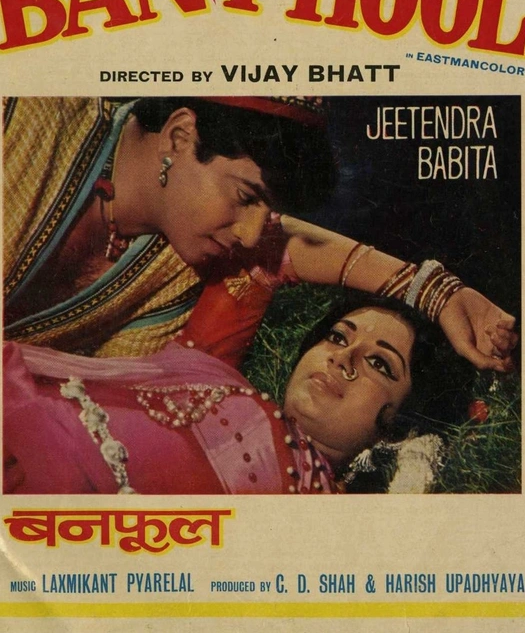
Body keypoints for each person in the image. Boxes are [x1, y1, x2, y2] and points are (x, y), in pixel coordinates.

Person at [4, 95, 516, 369]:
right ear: (180, 136)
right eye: (247, 196)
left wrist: (436, 292)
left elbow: (101, 423)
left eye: (265, 213)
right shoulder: (24, 119)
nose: (250, 236)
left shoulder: (175, 275)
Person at [3, 282, 516, 495]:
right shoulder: (212, 369)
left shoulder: (333, 529)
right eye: (338, 337)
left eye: (380, 364)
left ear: (398, 426)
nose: (343, 356)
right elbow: (267, 254)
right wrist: (436, 289)